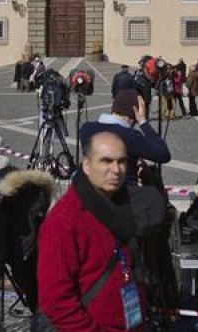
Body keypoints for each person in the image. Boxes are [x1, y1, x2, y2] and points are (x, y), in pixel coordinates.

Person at [38, 130, 147, 331]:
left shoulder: (122, 205)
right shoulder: (64, 221)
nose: (116, 169)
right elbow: (56, 301)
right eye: (106, 161)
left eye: (122, 161)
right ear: (86, 166)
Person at [79, 88, 170, 186]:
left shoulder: (86, 129)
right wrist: (143, 122)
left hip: (91, 190)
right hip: (123, 193)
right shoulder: (131, 136)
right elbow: (163, 154)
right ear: (135, 112)